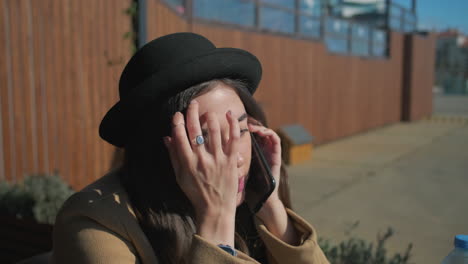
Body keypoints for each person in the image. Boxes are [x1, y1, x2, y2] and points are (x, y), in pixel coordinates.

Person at [51, 32, 329, 264]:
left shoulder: (251, 206)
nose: (237, 158)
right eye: (205, 138)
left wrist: (270, 204)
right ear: (159, 148)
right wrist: (216, 222)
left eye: (241, 130)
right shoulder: (94, 222)